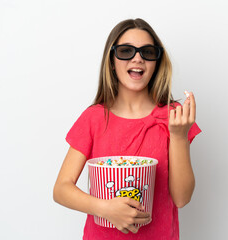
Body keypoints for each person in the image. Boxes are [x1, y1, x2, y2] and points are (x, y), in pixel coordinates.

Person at [53, 18, 202, 240]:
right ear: (111, 61)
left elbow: (181, 198)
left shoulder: (173, 117)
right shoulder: (94, 118)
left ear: (157, 62)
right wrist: (105, 209)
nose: (138, 58)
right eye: (126, 51)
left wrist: (179, 137)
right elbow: (61, 189)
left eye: (147, 52)